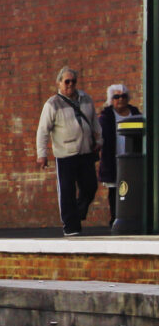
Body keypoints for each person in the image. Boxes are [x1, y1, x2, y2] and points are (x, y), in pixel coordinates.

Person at [36, 66, 100, 236]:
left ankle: (78, 212)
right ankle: (71, 227)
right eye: (67, 81)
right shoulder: (52, 104)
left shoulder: (86, 99)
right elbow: (43, 131)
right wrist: (42, 154)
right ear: (59, 83)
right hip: (65, 153)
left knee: (90, 186)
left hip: (85, 151)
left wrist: (99, 140)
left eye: (73, 81)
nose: (70, 84)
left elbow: (95, 122)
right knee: (67, 191)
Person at [99, 82, 143, 224]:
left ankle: (133, 216)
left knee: (132, 187)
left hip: (132, 157)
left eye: (123, 96)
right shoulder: (106, 116)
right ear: (111, 99)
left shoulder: (135, 113)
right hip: (113, 158)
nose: (121, 99)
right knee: (114, 190)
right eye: (116, 97)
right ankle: (115, 217)